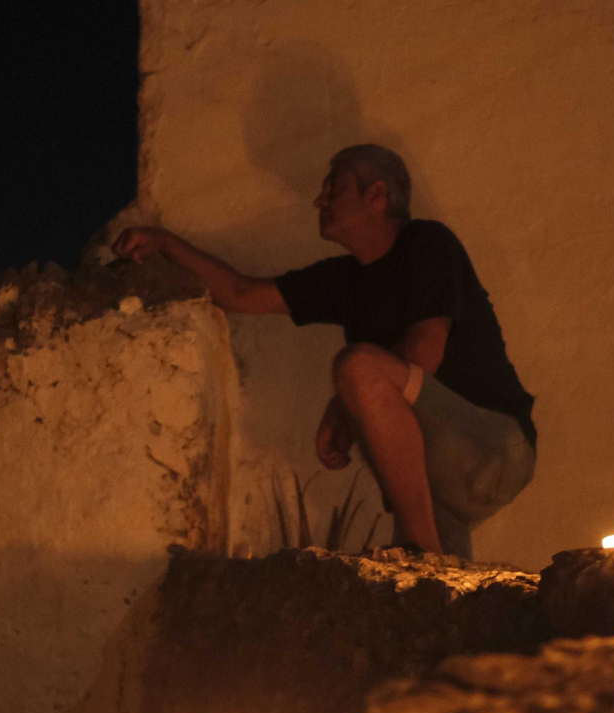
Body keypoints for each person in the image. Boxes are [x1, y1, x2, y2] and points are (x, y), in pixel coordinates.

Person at [111, 144, 535, 560]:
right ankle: (428, 562)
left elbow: (426, 350)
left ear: (377, 196)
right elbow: (243, 294)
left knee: (357, 367)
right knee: (440, 608)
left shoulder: (427, 243)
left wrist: (344, 403)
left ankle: (419, 550)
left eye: (335, 188)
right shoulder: (343, 280)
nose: (320, 199)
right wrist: (166, 243)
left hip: (494, 446)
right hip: (442, 492)